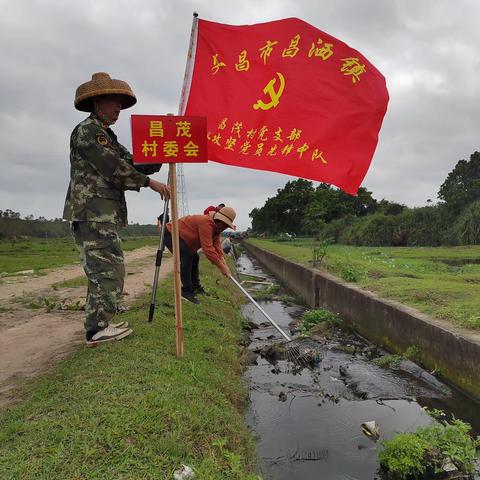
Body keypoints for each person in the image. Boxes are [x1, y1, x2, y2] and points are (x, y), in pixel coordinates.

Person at [63, 72, 170, 346]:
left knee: (105, 268)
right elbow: (113, 168)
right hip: (92, 213)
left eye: (121, 102)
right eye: (114, 101)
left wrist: (164, 145)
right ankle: (98, 329)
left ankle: (101, 322)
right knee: (107, 270)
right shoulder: (88, 131)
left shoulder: (106, 135)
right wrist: (148, 183)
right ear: (98, 101)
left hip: (101, 214)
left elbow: (132, 162)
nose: (119, 107)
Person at [164, 206, 236, 304]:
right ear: (219, 221)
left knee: (195, 257)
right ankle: (186, 291)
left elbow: (217, 245)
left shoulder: (216, 229)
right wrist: (221, 267)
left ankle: (195, 287)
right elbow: (208, 249)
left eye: (227, 226)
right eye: (225, 226)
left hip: (183, 238)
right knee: (187, 256)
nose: (225, 228)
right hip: (171, 233)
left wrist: (222, 259)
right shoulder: (206, 223)